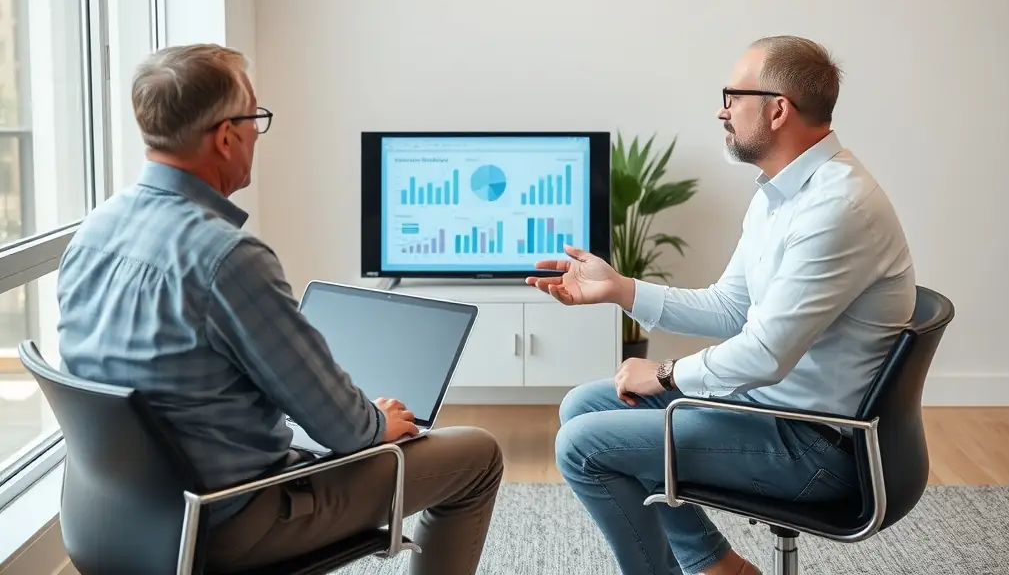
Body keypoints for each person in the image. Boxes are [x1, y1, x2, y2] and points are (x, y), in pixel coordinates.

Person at [56, 44, 503, 574]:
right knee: (478, 455)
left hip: (112, 514)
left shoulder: (94, 229)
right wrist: (376, 420)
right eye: (255, 120)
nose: (255, 136)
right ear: (226, 137)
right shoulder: (227, 258)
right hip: (228, 521)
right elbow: (346, 430)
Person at [527, 36, 915, 575]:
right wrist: (620, 289)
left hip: (816, 447)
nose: (721, 109)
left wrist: (664, 373)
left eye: (733, 95)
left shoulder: (837, 208)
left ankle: (699, 567)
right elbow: (730, 307)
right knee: (583, 407)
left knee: (583, 446)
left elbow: (763, 356)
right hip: (768, 411)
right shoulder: (780, 194)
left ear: (778, 109)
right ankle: (714, 565)